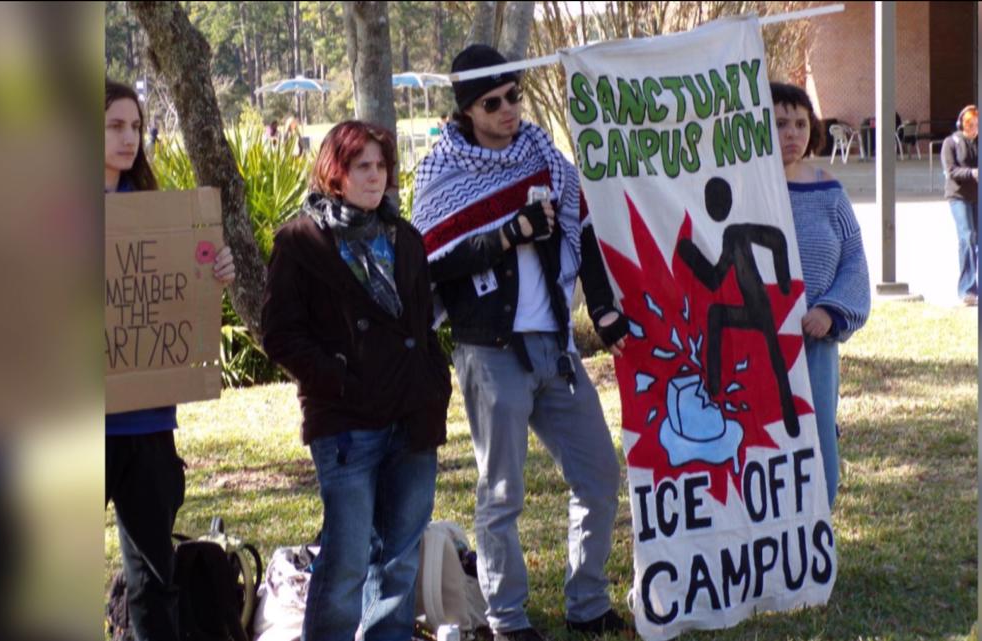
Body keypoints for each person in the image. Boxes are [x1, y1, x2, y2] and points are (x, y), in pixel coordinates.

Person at [411, 45, 630, 641]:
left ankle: (588, 605)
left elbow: (583, 229)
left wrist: (605, 307)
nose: (508, 109)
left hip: (554, 346)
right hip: (489, 350)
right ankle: (508, 620)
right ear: (466, 110)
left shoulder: (545, 157)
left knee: (599, 474)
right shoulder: (440, 171)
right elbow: (431, 266)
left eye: (514, 96)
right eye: (493, 102)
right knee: (502, 492)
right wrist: (507, 234)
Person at [261, 120, 452, 641]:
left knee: (399, 560)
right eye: (360, 166)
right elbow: (279, 334)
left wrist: (436, 382)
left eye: (380, 165)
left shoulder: (405, 237)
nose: (374, 176)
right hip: (346, 424)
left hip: (412, 418)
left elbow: (422, 324)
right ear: (335, 174)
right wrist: (339, 379)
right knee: (346, 561)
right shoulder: (302, 242)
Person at [105, 79, 236, 641]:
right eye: (114, 125)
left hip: (149, 426)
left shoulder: (161, 218)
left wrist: (216, 276)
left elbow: (180, 307)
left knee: (154, 577)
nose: (129, 137)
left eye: (135, 126)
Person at [770, 82, 871, 509]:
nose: (792, 133)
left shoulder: (828, 190)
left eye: (799, 123)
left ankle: (814, 544)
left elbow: (854, 260)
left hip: (814, 347)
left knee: (817, 441)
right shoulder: (742, 189)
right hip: (756, 347)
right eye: (778, 124)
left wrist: (830, 311)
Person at [942, 105, 979, 306]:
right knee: (967, 237)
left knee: (979, 240)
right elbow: (951, 170)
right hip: (958, 196)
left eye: (977, 125)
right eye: (970, 125)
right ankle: (967, 289)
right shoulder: (952, 142)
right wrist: (972, 173)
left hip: (979, 196)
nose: (974, 129)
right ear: (962, 124)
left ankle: (976, 284)